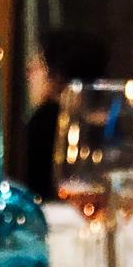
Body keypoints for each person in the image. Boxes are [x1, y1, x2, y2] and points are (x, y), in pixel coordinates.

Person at [23, 27, 109, 202]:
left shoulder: (45, 123)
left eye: (39, 64)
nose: (29, 70)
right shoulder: (106, 128)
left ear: (58, 77)